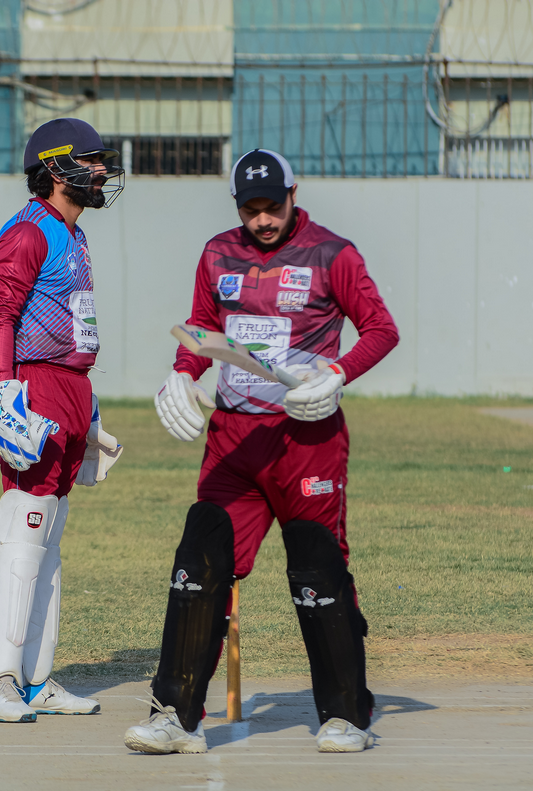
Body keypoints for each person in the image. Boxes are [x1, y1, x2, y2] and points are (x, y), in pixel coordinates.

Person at [123, 149, 399, 754]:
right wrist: (181, 373)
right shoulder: (217, 253)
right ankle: (175, 717)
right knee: (199, 561)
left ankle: (346, 715)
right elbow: (201, 328)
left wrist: (339, 373)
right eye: (251, 210)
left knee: (318, 567)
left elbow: (381, 329)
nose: (264, 220)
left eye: (273, 206)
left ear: (294, 194)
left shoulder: (333, 254)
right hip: (234, 439)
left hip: (306, 440)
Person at [0, 118, 126, 723]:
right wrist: (3, 392)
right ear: (55, 167)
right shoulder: (29, 230)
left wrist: (86, 403)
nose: (101, 170)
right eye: (90, 160)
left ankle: (35, 679)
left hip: (70, 386)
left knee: (49, 532)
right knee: (24, 520)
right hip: (33, 384)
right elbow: (0, 315)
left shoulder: (73, 234)